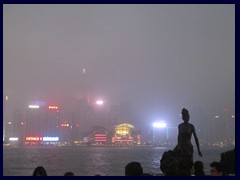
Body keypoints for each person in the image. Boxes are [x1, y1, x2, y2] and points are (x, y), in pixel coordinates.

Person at [173, 108, 202, 175]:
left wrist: (198, 150)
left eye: (188, 116)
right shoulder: (180, 126)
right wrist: (178, 146)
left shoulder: (191, 126)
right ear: (183, 117)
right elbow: (179, 136)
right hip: (180, 147)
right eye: (185, 116)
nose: (187, 118)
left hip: (188, 148)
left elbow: (196, 138)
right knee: (177, 163)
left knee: (188, 165)